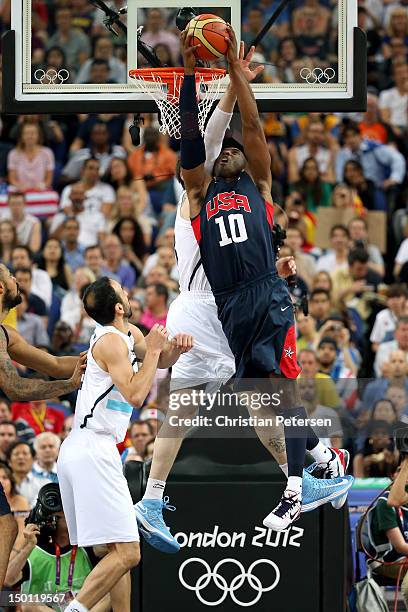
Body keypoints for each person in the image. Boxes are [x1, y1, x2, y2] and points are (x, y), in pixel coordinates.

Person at [176, 27, 351, 532]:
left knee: (280, 394)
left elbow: (250, 121)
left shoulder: (262, 185)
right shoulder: (198, 194)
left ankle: (294, 490)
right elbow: (191, 135)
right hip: (231, 306)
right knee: (262, 396)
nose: (228, 148)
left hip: (266, 293)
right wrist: (189, 75)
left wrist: (233, 68)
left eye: (233, 147)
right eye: (222, 148)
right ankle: (323, 461)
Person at [57, 276, 193, 612]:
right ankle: (76, 609)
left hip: (92, 449)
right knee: (129, 553)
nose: (129, 292)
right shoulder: (110, 343)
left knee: (112, 552)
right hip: (92, 449)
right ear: (119, 307)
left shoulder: (129, 334)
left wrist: (175, 349)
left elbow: (159, 362)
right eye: (123, 290)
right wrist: (157, 350)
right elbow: (135, 393)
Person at [4, 484, 130, 611]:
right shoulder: (36, 551)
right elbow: (8, 580)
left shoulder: (87, 548)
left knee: (118, 565)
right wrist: (28, 546)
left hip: (83, 609)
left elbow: (122, 553)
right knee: (28, 602)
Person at [8, 123, 55, 191]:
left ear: (38, 135)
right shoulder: (13, 154)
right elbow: (12, 179)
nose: (29, 136)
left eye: (33, 133)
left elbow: (48, 180)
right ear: (21, 136)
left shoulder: (47, 153)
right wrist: (19, 186)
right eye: (26, 133)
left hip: (40, 190)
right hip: (20, 190)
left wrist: (42, 186)